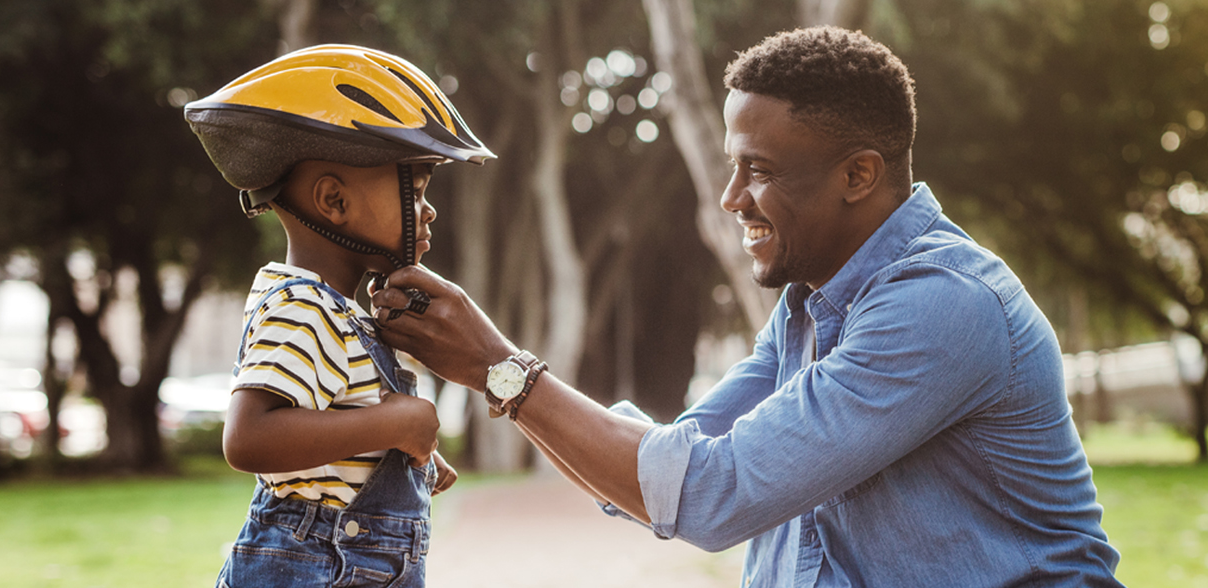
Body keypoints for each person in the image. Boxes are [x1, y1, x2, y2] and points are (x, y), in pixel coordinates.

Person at [372, 27, 1123, 587]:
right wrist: (515, 386)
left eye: (759, 171)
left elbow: (709, 496)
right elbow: (682, 461)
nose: (732, 199)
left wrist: (505, 371)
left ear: (858, 174)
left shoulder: (942, 306)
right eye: (733, 167)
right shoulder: (809, 306)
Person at [183, 44, 494, 588]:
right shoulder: (304, 306)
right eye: (415, 189)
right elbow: (250, 437)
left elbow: (327, 442)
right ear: (333, 200)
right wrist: (397, 423)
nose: (430, 210)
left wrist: (399, 453)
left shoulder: (338, 312)